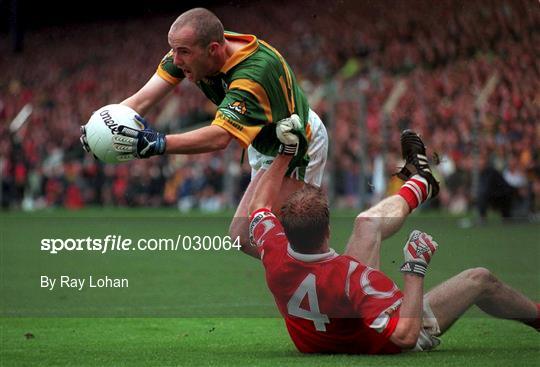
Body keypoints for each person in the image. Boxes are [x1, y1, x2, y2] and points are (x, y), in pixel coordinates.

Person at [248, 127, 539, 353]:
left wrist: (286, 152)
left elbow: (257, 207)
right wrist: (415, 267)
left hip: (317, 341)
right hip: (376, 341)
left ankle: (422, 181)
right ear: (327, 232)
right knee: (481, 279)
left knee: (367, 223)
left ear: (285, 230)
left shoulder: (274, 249)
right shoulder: (355, 277)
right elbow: (404, 336)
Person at [79, 8, 328, 258]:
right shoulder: (192, 50)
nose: (175, 60)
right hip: (265, 140)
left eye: (183, 52)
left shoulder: (252, 75)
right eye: (174, 49)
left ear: (214, 49)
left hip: (295, 142)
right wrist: (100, 129)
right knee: (247, 237)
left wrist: (157, 144)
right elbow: (141, 101)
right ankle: (318, 274)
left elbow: (219, 137)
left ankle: (328, 275)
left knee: (269, 236)